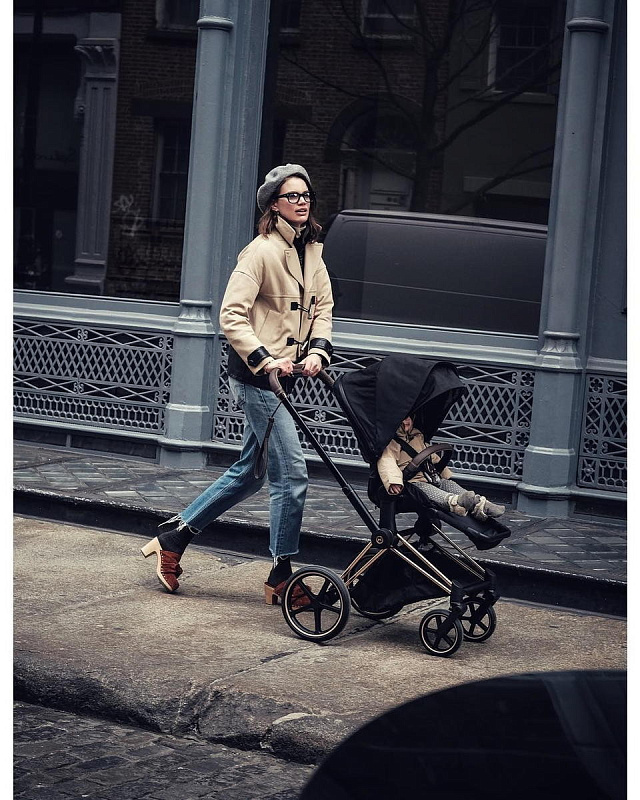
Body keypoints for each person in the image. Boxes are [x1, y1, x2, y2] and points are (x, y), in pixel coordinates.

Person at [141, 164, 333, 602]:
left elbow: (323, 308)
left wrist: (318, 352)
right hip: (258, 379)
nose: (302, 202)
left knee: (249, 474)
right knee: (292, 475)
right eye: (292, 196)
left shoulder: (312, 252)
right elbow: (231, 315)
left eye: (306, 195)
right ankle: (281, 576)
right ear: (273, 206)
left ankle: (174, 538)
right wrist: (265, 359)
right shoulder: (260, 252)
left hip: (287, 378)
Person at [377, 416, 505, 521]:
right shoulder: (391, 443)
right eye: (402, 419)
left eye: (409, 418)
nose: (406, 421)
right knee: (427, 491)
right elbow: (387, 462)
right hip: (412, 482)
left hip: (430, 475)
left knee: (449, 484)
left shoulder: (417, 436)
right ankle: (454, 502)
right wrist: (393, 481)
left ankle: (479, 503)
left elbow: (430, 455)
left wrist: (443, 471)